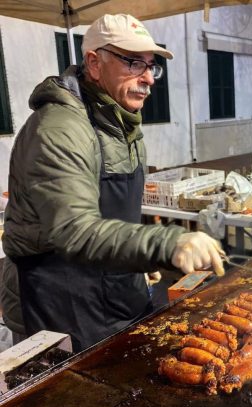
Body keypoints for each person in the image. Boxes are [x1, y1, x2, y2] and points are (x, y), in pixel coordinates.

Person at [0, 14, 225, 352]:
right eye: (134, 63)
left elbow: (116, 217)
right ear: (94, 62)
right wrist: (166, 245)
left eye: (151, 66)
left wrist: (136, 267)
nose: (148, 78)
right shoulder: (60, 128)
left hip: (111, 292)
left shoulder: (120, 120)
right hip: (62, 304)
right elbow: (74, 231)